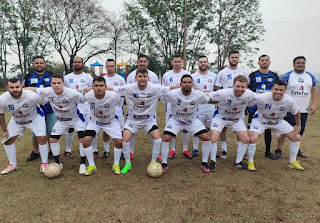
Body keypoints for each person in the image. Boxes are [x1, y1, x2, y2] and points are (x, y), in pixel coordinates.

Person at [109, 68, 179, 174]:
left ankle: (153, 162)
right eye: (140, 77)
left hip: (148, 121)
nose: (142, 79)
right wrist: (94, 89)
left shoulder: (155, 88)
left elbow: (170, 88)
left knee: (158, 139)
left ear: (148, 77)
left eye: (144, 76)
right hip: (133, 120)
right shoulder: (128, 88)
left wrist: (187, 87)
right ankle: (128, 163)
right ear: (136, 78)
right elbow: (112, 89)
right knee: (125, 140)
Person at [26, 74, 92, 175]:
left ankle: (83, 163)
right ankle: (58, 162)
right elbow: (34, 89)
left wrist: (88, 90)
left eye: (59, 83)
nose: (56, 85)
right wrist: (21, 90)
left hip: (76, 119)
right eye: (54, 83)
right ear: (51, 84)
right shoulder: (48, 91)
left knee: (81, 140)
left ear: (63, 84)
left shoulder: (72, 93)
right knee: (52, 140)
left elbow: (83, 99)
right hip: (61, 121)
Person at [160, 74, 212, 173]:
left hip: (192, 121)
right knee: (165, 138)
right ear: (180, 84)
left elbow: (207, 99)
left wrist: (201, 91)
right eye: (184, 82)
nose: (187, 84)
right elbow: (162, 99)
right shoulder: (173, 94)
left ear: (192, 84)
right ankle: (164, 164)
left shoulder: (198, 94)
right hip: (176, 121)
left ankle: (204, 163)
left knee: (207, 137)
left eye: (189, 82)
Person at [248, 80, 304, 171]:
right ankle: (250, 161)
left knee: (297, 137)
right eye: (276, 89)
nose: (278, 92)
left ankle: (292, 162)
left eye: (281, 90)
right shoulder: (262, 97)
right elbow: (248, 100)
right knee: (252, 138)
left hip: (278, 122)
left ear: (285, 91)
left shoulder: (289, 100)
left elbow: (296, 111)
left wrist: (298, 124)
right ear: (271, 89)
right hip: (260, 120)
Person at [0, 78, 49, 174]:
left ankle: (44, 164)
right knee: (7, 141)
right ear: (7, 88)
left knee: (42, 138)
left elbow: (45, 101)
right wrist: (5, 131)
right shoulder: (3, 99)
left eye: (17, 87)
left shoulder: (31, 95)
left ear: (22, 87)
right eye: (12, 87)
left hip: (35, 119)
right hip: (17, 121)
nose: (15, 90)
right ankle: (12, 165)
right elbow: (1, 116)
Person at [208, 75, 256, 171]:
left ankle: (238, 162)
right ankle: (213, 161)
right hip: (220, 118)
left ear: (246, 87)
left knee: (246, 139)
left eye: (243, 87)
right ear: (233, 85)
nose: (240, 89)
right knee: (213, 138)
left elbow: (260, 98)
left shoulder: (249, 94)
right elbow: (207, 96)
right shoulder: (224, 93)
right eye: (237, 86)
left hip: (236, 120)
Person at [275, 56, 318, 159]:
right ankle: (278, 149)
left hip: (303, 109)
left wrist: (314, 104)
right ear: (293, 64)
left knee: (300, 130)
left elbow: (315, 90)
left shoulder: (310, 76)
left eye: (302, 63)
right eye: (298, 63)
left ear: (305, 64)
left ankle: (296, 149)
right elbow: (279, 89)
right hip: (288, 109)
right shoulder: (288, 76)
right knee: (284, 130)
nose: (300, 65)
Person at [82, 76, 123, 175]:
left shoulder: (113, 96)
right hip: (95, 123)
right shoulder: (88, 96)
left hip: (111, 123)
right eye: (96, 86)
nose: (99, 88)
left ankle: (116, 164)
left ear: (106, 86)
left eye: (101, 85)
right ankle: (91, 165)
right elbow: (80, 98)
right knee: (86, 141)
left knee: (118, 141)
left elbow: (120, 103)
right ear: (92, 87)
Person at [215, 49, 249, 159]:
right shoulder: (222, 72)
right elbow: (218, 88)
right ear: (228, 58)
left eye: (236, 57)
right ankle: (224, 150)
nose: (234, 59)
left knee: (239, 130)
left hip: (238, 106)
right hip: (225, 106)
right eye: (232, 57)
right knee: (223, 129)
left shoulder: (244, 72)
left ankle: (241, 152)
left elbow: (247, 89)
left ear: (238, 58)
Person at [126, 54, 159, 159]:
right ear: (137, 62)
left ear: (147, 62)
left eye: (144, 61)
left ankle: (157, 152)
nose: (142, 63)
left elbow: (157, 90)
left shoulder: (153, 75)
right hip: (134, 109)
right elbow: (127, 91)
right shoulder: (131, 75)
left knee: (153, 131)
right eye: (140, 61)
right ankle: (130, 152)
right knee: (131, 131)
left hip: (149, 109)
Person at [23, 56, 56, 162]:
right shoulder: (28, 77)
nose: (39, 65)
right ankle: (36, 151)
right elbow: (23, 90)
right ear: (34, 64)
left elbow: (56, 88)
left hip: (50, 108)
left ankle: (50, 151)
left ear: (45, 64)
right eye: (37, 63)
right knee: (36, 132)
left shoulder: (51, 75)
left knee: (51, 131)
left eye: (41, 63)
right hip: (34, 110)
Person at [63, 57, 97, 159]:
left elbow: (95, 88)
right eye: (75, 62)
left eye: (79, 62)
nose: (77, 64)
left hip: (86, 108)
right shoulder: (67, 77)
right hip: (72, 108)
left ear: (82, 64)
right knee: (70, 129)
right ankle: (68, 150)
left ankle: (94, 150)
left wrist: (90, 89)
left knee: (90, 129)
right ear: (72, 64)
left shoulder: (88, 77)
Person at [248, 55, 279, 160]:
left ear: (270, 62)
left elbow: (278, 91)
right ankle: (249, 151)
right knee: (252, 130)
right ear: (259, 63)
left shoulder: (274, 76)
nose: (264, 62)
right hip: (254, 108)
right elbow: (248, 90)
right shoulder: (252, 75)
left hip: (269, 108)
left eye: (266, 60)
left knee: (268, 129)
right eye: (262, 60)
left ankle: (267, 151)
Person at [162, 54, 192, 159]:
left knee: (186, 128)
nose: (177, 64)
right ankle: (172, 149)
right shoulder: (166, 75)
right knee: (171, 129)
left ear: (182, 62)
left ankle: (185, 149)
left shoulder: (187, 74)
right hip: (171, 106)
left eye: (179, 62)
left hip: (185, 106)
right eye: (175, 62)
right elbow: (164, 90)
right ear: (172, 62)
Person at [191, 55, 217, 157]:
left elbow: (216, 91)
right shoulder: (193, 76)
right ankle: (195, 148)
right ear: (198, 64)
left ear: (208, 63)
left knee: (210, 128)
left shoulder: (213, 76)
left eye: (205, 62)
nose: (203, 64)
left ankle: (210, 147)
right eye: (201, 62)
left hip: (210, 107)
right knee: (196, 128)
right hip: (198, 107)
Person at [101, 59, 126, 159]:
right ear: (105, 67)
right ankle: (106, 150)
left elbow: (124, 92)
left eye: (112, 66)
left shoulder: (120, 79)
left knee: (121, 131)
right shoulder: (102, 78)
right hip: (105, 108)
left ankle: (123, 151)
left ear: (115, 67)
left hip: (118, 109)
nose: (110, 68)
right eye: (108, 66)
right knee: (106, 130)